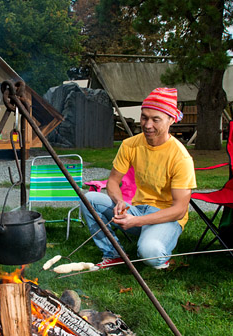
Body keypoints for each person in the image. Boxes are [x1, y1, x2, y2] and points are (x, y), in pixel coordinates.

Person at [80, 87, 196, 270]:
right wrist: (119, 202)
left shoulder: (181, 158)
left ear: (171, 120)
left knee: (150, 254)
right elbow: (112, 182)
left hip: (166, 217)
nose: (147, 125)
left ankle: (159, 251)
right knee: (89, 199)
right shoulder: (130, 144)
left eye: (155, 119)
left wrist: (136, 222)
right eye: (144, 117)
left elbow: (179, 210)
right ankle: (114, 254)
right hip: (137, 209)